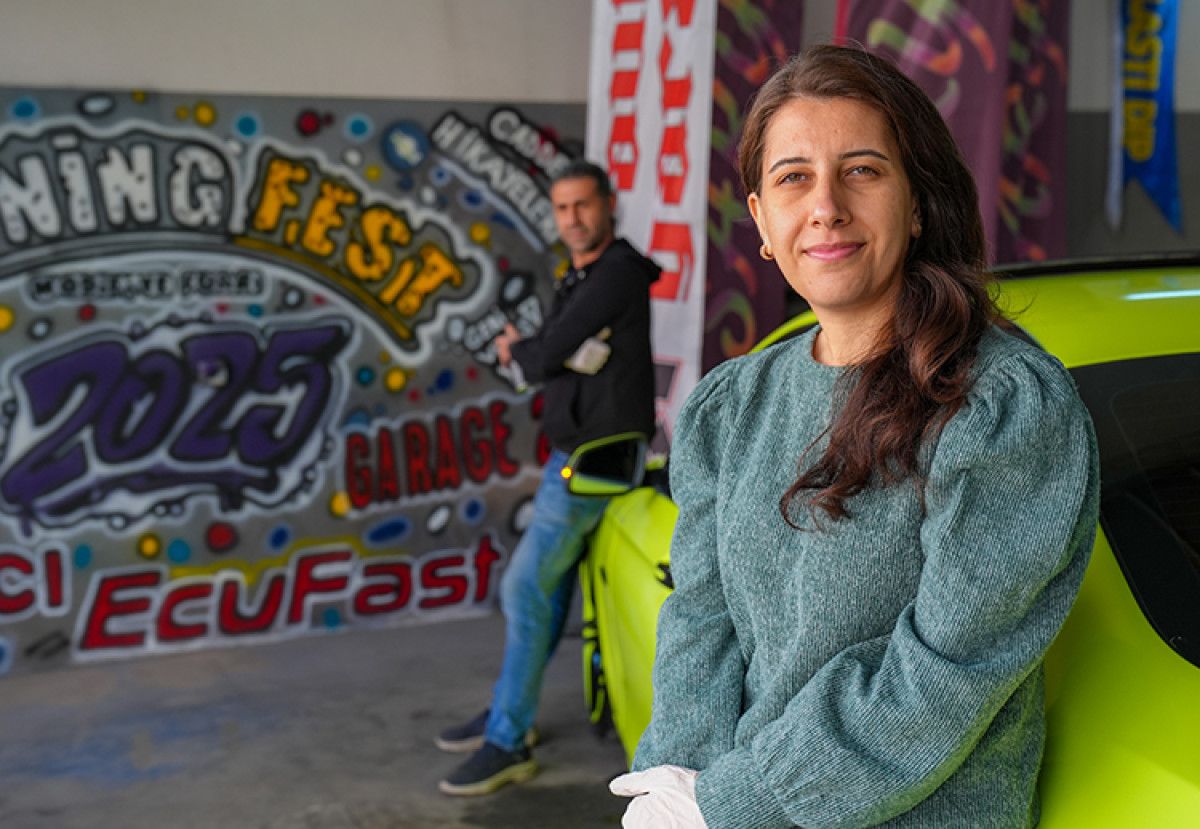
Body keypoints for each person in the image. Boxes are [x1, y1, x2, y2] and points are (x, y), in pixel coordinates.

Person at [610, 45, 1099, 828]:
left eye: (862, 171)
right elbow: (701, 625)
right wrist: (675, 786)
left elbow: (944, 670)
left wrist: (728, 804)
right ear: (761, 220)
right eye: (793, 177)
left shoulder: (1000, 403)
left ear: (917, 203)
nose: (827, 206)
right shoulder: (728, 406)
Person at [437, 159, 660, 796]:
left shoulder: (615, 272)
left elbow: (544, 355)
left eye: (583, 204)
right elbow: (557, 350)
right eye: (562, 208)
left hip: (592, 464)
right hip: (577, 458)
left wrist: (522, 349)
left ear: (609, 204)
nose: (572, 218)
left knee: (524, 588)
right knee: (546, 589)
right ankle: (508, 711)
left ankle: (508, 738)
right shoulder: (587, 273)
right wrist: (540, 351)